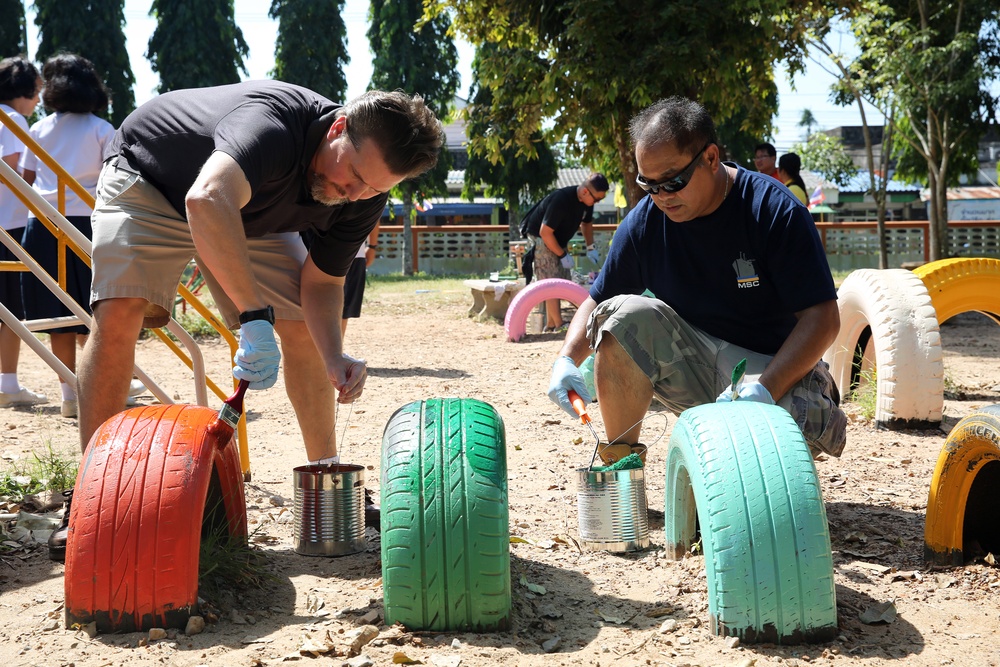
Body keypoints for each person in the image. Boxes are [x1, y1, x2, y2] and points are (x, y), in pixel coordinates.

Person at [48, 82, 442, 560]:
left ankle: (330, 478)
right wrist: (254, 318)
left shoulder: (360, 196)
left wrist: (334, 355)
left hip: (245, 213)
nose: (353, 194)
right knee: (120, 313)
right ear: (338, 127)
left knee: (302, 330)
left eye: (373, 188)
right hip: (153, 183)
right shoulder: (271, 126)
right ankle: (92, 495)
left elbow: (320, 285)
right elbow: (205, 199)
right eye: (354, 174)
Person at [546, 97, 847, 465]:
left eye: (673, 182)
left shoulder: (773, 210)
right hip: (698, 370)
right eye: (649, 185)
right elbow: (597, 300)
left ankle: (770, 459)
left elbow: (823, 318)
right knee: (623, 315)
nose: (661, 197)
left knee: (764, 464)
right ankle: (622, 470)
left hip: (774, 374)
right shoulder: (644, 224)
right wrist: (566, 361)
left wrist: (764, 390)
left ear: (710, 158)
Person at [20, 54, 115, 420]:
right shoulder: (101, 128)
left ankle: (69, 394)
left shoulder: (38, 129)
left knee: (59, 313)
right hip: (89, 225)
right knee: (96, 310)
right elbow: (111, 182)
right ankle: (95, 389)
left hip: (43, 225)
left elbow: (25, 179)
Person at [0, 56, 46, 409]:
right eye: (37, 93)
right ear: (27, 90)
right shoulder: (13, 120)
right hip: (10, 222)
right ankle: (8, 384)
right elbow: (15, 171)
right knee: (10, 310)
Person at [521, 172, 609, 331]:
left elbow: (587, 224)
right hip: (541, 238)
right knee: (551, 276)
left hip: (557, 239)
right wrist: (562, 255)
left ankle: (551, 324)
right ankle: (558, 323)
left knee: (563, 276)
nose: (597, 202)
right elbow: (545, 232)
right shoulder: (561, 200)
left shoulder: (587, 202)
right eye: (596, 199)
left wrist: (591, 247)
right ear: (584, 192)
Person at [340, 220, 379, 339]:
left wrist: (372, 246)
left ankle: (337, 350)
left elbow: (375, 215)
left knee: (345, 306)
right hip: (318, 250)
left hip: (355, 253)